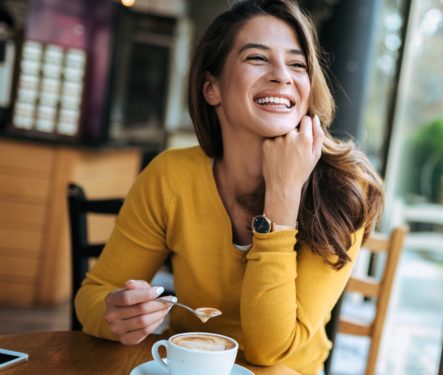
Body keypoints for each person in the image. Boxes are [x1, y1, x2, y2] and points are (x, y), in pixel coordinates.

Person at [74, 1, 384, 373]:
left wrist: (282, 197)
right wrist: (116, 313)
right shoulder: (171, 177)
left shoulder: (344, 190)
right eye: (257, 58)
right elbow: (92, 297)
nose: (283, 75)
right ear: (211, 87)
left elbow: (268, 350)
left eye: (298, 64)